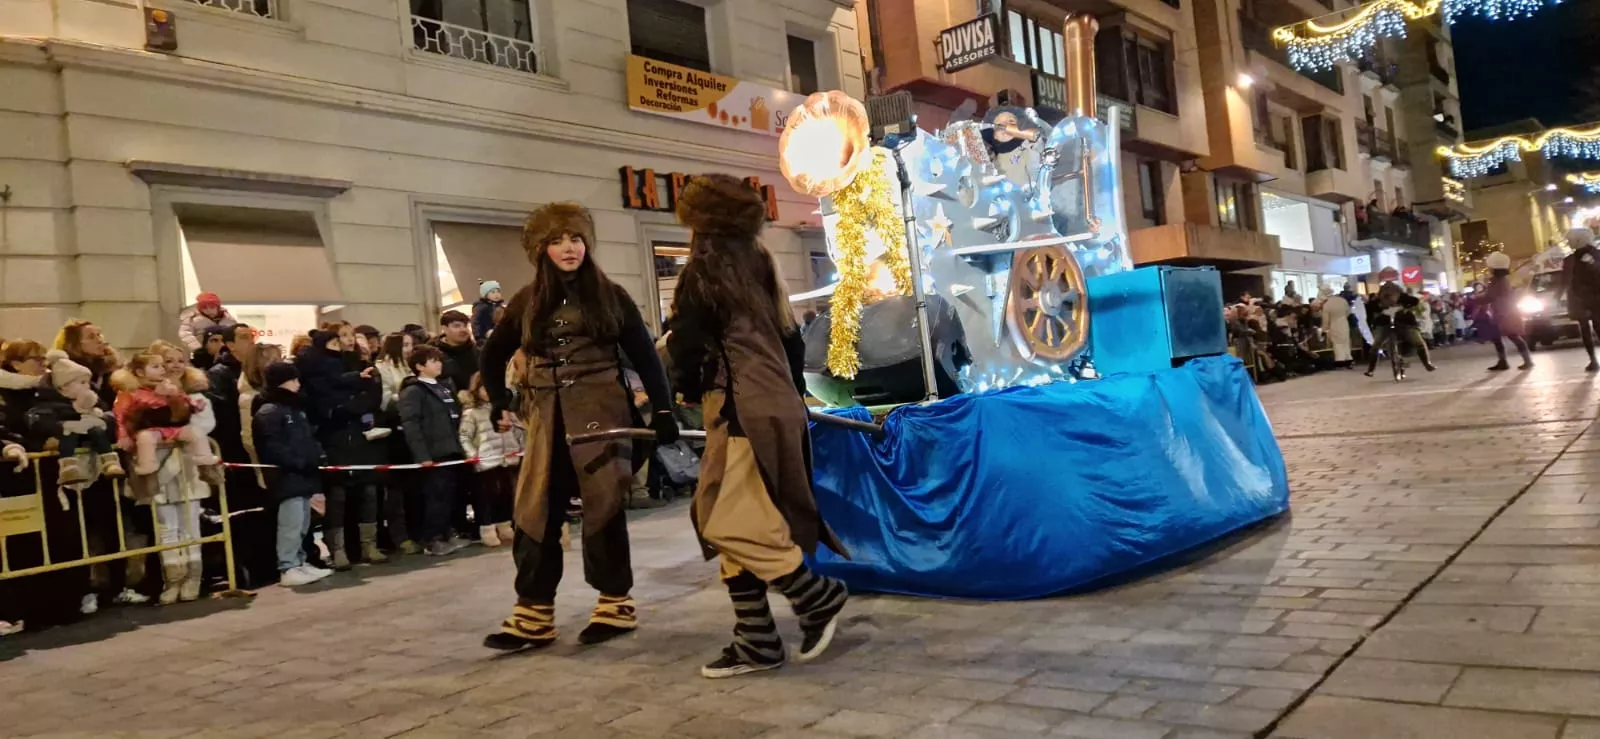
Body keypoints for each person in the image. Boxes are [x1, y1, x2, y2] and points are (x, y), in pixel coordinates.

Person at [667, 174, 849, 679]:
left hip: (739, 407)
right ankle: (757, 640)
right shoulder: (760, 262)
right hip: (774, 402)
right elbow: (791, 339)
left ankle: (815, 595)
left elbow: (686, 343)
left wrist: (684, 389)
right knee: (740, 515)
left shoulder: (703, 271)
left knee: (725, 520)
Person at [478, 201, 673, 652]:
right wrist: (499, 400)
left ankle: (615, 604)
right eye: (557, 240)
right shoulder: (527, 300)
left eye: (576, 238)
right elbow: (493, 352)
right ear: (541, 249)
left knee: (603, 508)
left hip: (601, 413)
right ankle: (533, 613)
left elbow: (646, 357)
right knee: (535, 512)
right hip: (546, 419)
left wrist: (662, 411)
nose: (569, 248)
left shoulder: (611, 295)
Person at [295, 330, 387, 569]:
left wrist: (352, 403)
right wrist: (349, 404)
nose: (344, 343)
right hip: (333, 440)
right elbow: (325, 408)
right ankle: (338, 549)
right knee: (338, 496)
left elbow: (371, 396)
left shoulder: (354, 366)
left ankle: (368, 545)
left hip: (360, 438)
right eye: (336, 340)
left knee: (368, 491)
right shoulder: (314, 372)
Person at [252, 361, 332, 587]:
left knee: (303, 523)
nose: (298, 383)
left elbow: (307, 439)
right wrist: (300, 463)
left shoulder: (295, 409)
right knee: (291, 523)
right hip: (286, 478)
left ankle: (300, 561)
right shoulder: (269, 412)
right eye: (293, 379)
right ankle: (287, 566)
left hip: (303, 476)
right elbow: (273, 448)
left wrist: (317, 457)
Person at [111, 353, 224, 501]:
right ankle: (147, 475)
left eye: (162, 366)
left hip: (172, 427)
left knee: (196, 433)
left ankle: (206, 466)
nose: (162, 369)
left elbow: (184, 403)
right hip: (148, 428)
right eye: (156, 366)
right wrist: (123, 435)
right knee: (145, 439)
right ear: (140, 372)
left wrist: (189, 403)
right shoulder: (131, 392)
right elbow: (120, 414)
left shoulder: (170, 386)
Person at [397, 344, 467, 556]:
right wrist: (422, 456)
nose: (439, 364)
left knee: (449, 496)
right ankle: (431, 539)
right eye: (433, 361)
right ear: (419, 366)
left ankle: (446, 533)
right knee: (435, 498)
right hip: (433, 453)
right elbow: (411, 425)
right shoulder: (413, 391)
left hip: (451, 449)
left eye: (439, 360)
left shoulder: (444, 387)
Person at [39, 350, 124, 485]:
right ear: (64, 387)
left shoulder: (94, 400)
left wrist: (100, 417)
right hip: (71, 432)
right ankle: (68, 466)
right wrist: (63, 425)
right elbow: (44, 422)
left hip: (89, 430)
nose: (88, 386)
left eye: (87, 382)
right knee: (69, 433)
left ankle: (109, 461)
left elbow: (108, 413)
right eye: (82, 382)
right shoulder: (51, 403)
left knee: (97, 431)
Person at [458, 373, 522, 547]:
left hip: (507, 459)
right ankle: (487, 529)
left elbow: (517, 430)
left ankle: (505, 525)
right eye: (483, 388)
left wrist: (519, 447)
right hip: (485, 461)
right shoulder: (471, 413)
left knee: (505, 495)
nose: (487, 392)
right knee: (486, 497)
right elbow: (464, 437)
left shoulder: (506, 410)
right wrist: (473, 456)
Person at [1364, 283, 1435, 376]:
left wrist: (1405, 307)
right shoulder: (1378, 299)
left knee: (1418, 341)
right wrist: (1380, 307)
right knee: (1376, 346)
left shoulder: (1403, 297)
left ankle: (1427, 363)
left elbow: (1414, 301)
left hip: (1404, 323)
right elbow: (1370, 307)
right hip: (1384, 324)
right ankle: (1371, 369)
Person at [1484, 251, 1534, 371]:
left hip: (1505, 313)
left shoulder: (1499, 281)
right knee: (1500, 337)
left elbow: (1490, 296)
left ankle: (1526, 361)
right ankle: (1504, 361)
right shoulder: (1500, 280)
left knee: (1513, 336)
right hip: (1504, 312)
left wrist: (1475, 299)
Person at [1561, 227, 1600, 372]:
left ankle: (1593, 360)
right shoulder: (1570, 259)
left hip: (1595, 297)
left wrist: (1592, 264)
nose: (1568, 243)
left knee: (1598, 327)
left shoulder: (1596, 255)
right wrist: (1561, 294)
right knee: (1585, 329)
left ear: (1578, 240)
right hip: (1579, 299)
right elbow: (1565, 279)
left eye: (1570, 240)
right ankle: (1592, 360)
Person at [433, 310, 479, 393]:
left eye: (465, 326)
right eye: (457, 326)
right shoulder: (432, 353)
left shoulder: (478, 352)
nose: (463, 330)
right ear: (445, 329)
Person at [473, 281, 505, 346]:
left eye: (498, 292)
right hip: (488, 338)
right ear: (485, 295)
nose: (496, 294)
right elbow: (476, 322)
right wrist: (482, 335)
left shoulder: (501, 307)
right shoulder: (481, 308)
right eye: (493, 292)